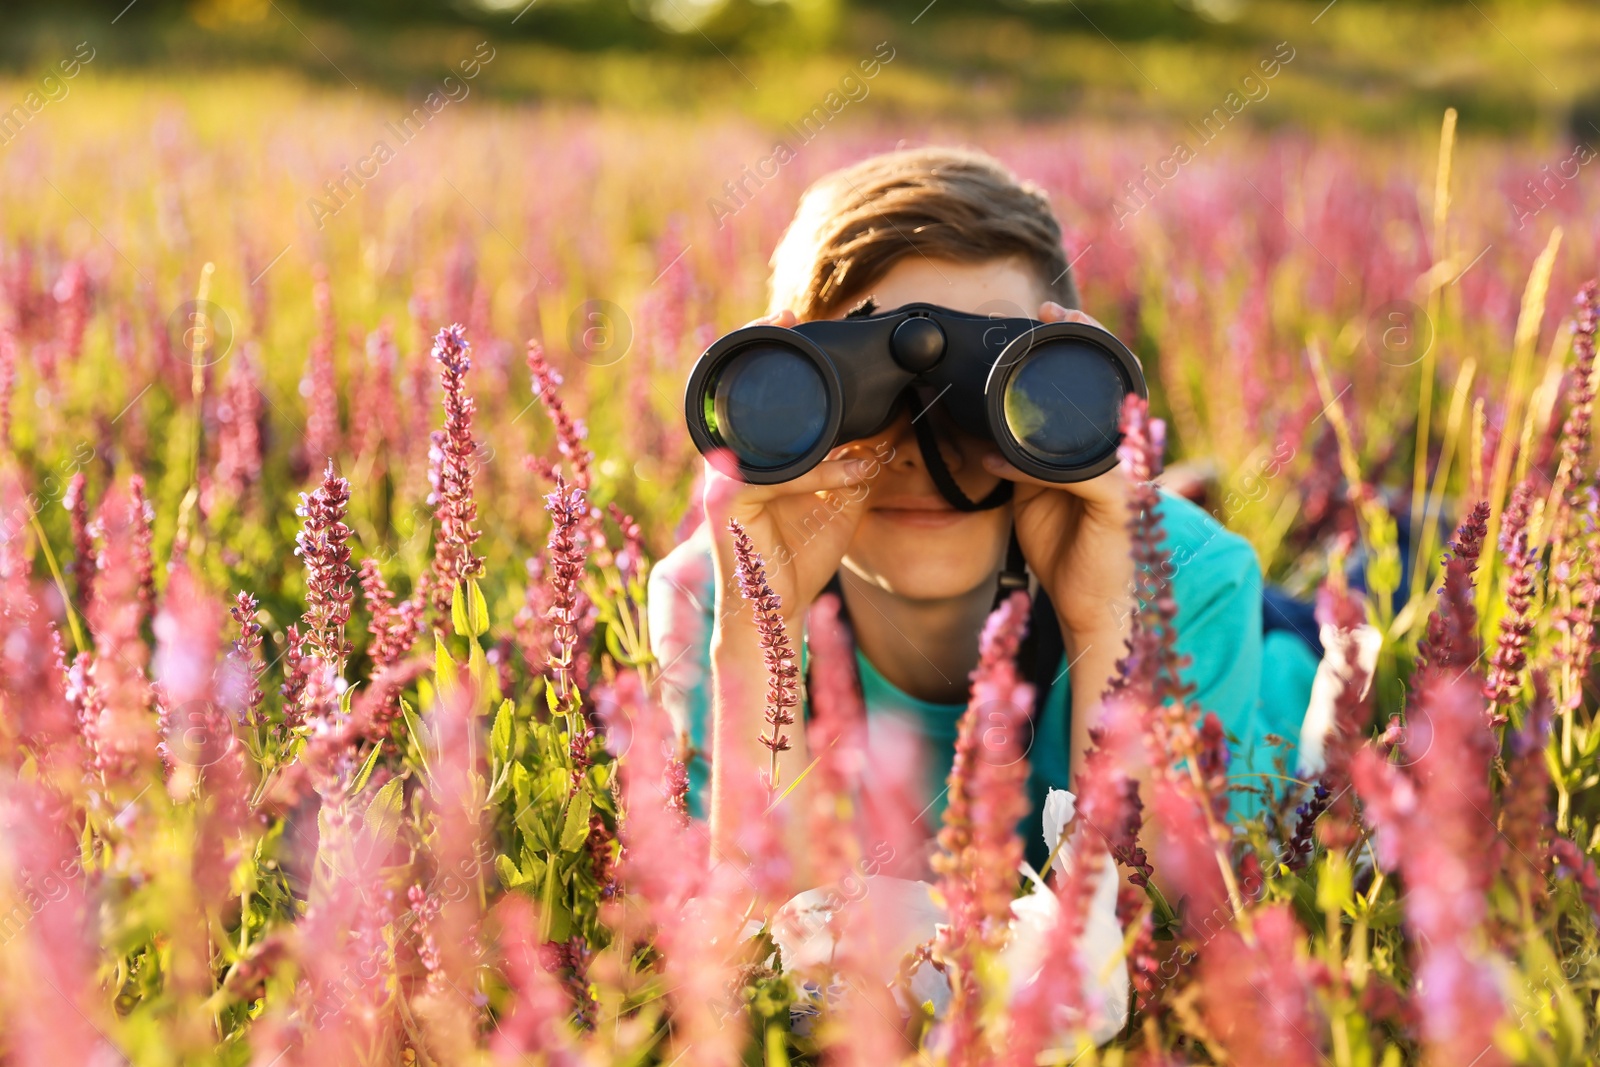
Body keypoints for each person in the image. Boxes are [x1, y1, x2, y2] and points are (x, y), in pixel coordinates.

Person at [648, 146, 1320, 877]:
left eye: (997, 394)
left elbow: (1154, 929)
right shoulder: (714, 596)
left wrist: (1108, 620)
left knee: (1367, 561)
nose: (918, 451)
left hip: (1268, 661)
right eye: (858, 395)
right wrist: (760, 629)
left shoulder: (1193, 578)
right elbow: (763, 940)